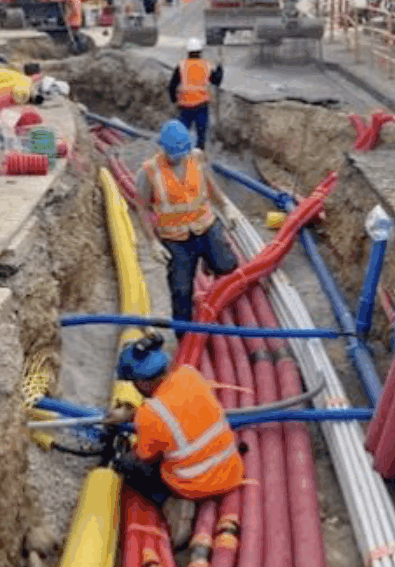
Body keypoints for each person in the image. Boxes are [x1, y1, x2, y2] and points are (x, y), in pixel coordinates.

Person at [106, 331, 245, 548]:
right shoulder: (189, 375)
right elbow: (179, 412)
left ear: (141, 383)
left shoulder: (151, 415)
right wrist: (132, 414)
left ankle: (173, 504)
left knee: (127, 465)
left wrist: (132, 426)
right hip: (231, 470)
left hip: (193, 485)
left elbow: (145, 457)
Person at [134, 120, 239, 324]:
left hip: (206, 226)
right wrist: (152, 242)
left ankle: (210, 262)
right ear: (163, 148)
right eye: (174, 153)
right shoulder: (148, 172)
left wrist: (226, 206)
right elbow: (141, 208)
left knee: (227, 266)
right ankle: (184, 333)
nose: (179, 157)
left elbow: (211, 186)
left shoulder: (197, 158)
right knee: (181, 290)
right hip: (176, 239)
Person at [168, 38, 223, 150]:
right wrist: (220, 69)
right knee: (201, 136)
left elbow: (172, 86)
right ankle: (199, 156)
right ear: (200, 51)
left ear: (188, 52)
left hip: (185, 106)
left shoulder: (182, 66)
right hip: (201, 106)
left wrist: (174, 99)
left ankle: (180, 156)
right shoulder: (205, 65)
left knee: (181, 134)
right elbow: (216, 80)